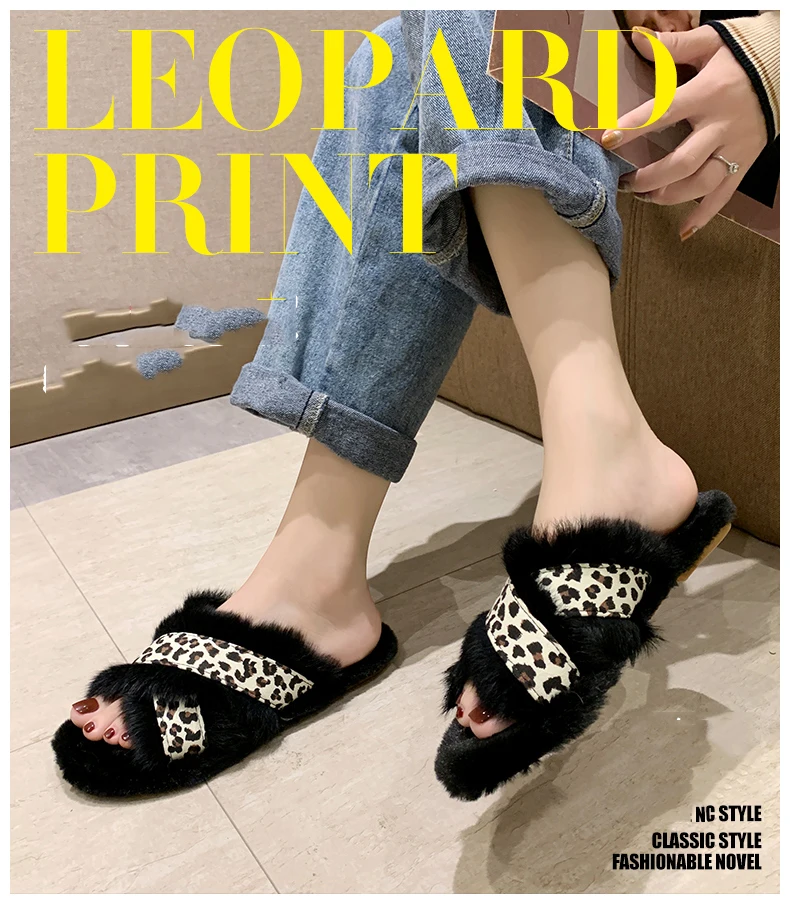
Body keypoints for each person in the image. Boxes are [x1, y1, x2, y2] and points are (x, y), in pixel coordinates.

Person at [54, 10, 774, 800]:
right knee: (402, 51)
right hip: (668, 61)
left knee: (479, 22)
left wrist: (766, 60)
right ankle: (318, 567)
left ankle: (597, 455)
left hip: (744, 79)